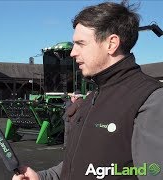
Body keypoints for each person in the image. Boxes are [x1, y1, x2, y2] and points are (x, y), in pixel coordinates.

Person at [13, 1, 163, 180]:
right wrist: (44, 177)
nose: (72, 52)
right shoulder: (92, 97)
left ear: (111, 43)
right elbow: (80, 164)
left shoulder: (151, 99)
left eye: (80, 43)